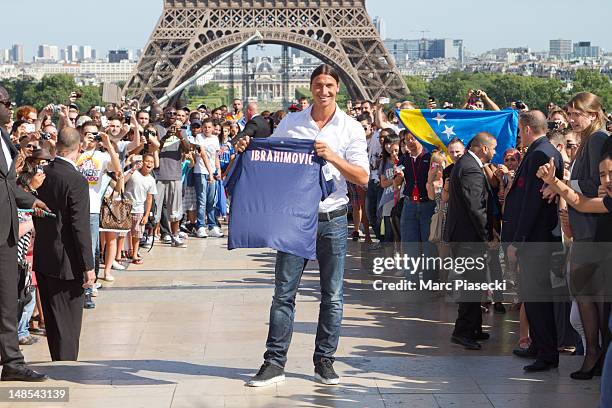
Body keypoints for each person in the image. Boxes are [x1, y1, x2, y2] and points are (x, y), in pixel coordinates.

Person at [236, 64, 369, 387]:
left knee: (333, 295)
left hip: (332, 218)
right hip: (295, 220)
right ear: (310, 87)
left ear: (338, 89)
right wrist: (247, 147)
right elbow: (271, 159)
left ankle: (325, 360)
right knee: (283, 294)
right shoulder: (293, 123)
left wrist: (333, 157)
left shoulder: (351, 128)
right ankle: (274, 362)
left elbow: (363, 177)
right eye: (319, 85)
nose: (324, 91)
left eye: (330, 86)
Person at [503, 110, 564, 372]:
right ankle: (540, 345)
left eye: (519, 130)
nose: (518, 135)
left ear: (527, 128)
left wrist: (519, 240)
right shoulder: (544, 149)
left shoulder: (541, 153)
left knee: (538, 296)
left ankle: (547, 353)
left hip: (535, 239)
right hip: (537, 238)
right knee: (534, 295)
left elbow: (532, 202)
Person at [33, 127, 96, 361]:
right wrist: (88, 266)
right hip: (67, 262)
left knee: (53, 320)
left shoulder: (42, 173)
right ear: (79, 148)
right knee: (69, 323)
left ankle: (58, 361)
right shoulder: (76, 179)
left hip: (44, 255)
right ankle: (66, 367)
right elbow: (79, 226)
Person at [0, 86, 49, 381]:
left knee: (7, 299)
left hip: (6, 231)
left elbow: (7, 183)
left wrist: (31, 200)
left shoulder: (4, 137)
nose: (10, 107)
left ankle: (12, 362)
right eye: (6, 102)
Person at [445, 132, 497, 350]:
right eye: (493, 148)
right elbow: (476, 206)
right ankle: (463, 331)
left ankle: (474, 326)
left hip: (465, 236)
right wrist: (487, 235)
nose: (495, 152)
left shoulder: (466, 164)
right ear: (483, 149)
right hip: (468, 238)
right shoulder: (471, 168)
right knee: (470, 284)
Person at [124, 154, 157, 264]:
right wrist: (132, 170)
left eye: (152, 162)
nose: (149, 164)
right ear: (142, 162)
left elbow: (149, 198)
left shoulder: (151, 180)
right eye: (147, 161)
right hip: (126, 207)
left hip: (139, 209)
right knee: (123, 233)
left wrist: (146, 215)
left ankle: (134, 254)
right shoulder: (134, 173)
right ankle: (121, 253)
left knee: (137, 233)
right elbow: (122, 181)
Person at [193, 118, 223, 238]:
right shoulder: (199, 137)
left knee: (211, 200)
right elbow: (203, 154)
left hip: (212, 172)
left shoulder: (215, 138)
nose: (207, 129)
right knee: (202, 200)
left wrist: (218, 169)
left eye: (209, 127)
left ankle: (212, 225)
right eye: (205, 127)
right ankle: (200, 226)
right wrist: (210, 172)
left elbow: (215, 156)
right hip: (201, 171)